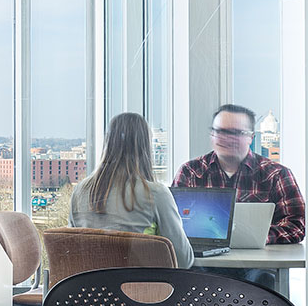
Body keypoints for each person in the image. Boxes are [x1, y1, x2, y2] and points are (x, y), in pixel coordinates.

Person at [173, 104, 305, 289]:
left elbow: (296, 225)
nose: (227, 138)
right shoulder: (191, 172)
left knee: (265, 282)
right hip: (204, 265)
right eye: (220, 131)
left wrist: (260, 238)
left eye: (236, 132)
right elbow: (174, 224)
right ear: (212, 135)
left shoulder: (277, 175)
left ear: (251, 137)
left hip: (257, 266)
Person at [69, 112, 194, 268]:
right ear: (145, 147)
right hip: (138, 289)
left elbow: (72, 251)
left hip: (89, 290)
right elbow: (183, 260)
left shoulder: (80, 191)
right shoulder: (154, 193)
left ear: (108, 144)